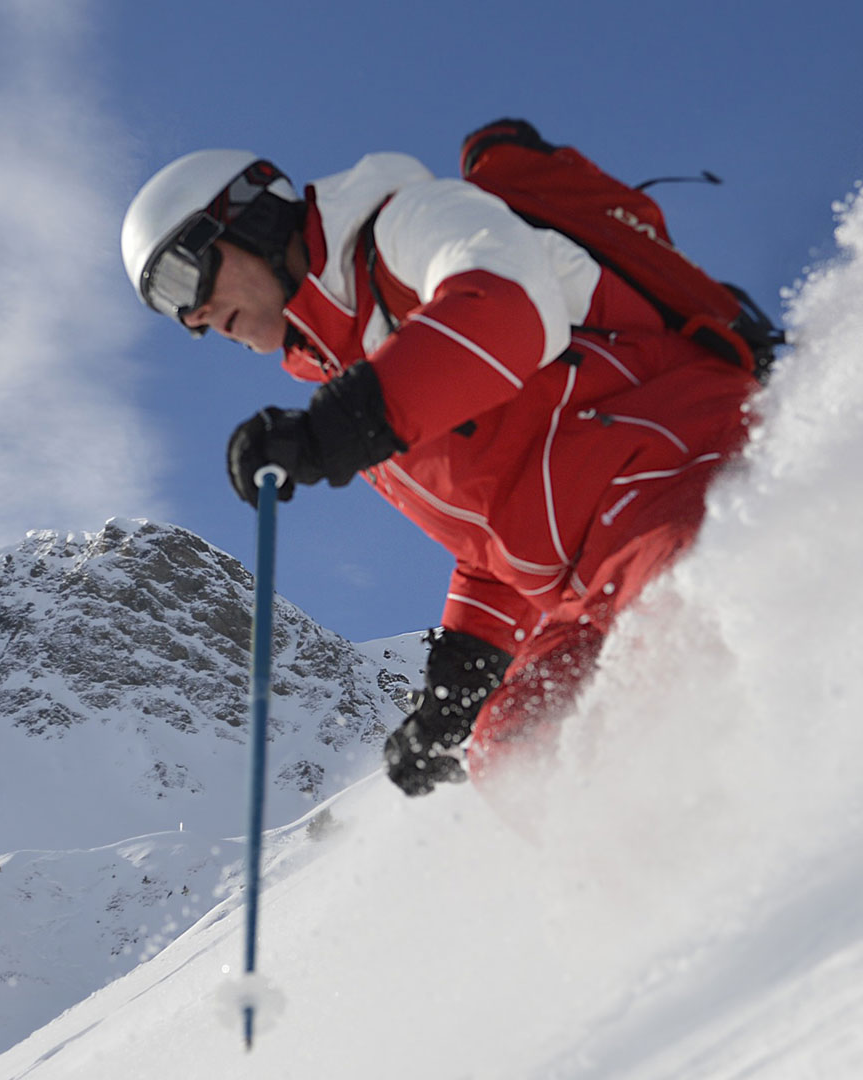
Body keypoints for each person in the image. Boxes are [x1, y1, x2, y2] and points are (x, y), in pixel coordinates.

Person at [120, 140, 758, 800]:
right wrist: (452, 695)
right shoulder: (354, 370)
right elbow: (493, 538)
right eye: (169, 309)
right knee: (514, 753)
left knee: (682, 647)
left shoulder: (409, 221)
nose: (191, 318)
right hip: (590, 586)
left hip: (679, 472)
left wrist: (334, 428)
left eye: (180, 277)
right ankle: (693, 897)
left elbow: (509, 311)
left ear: (246, 216)